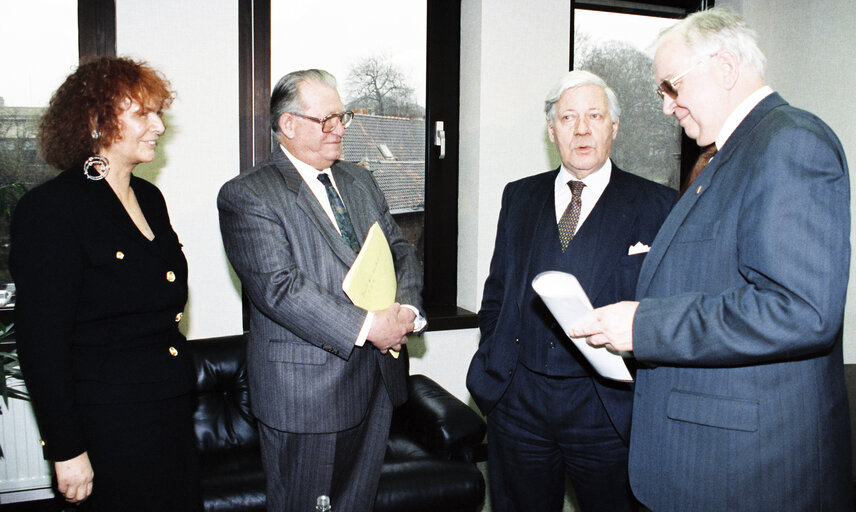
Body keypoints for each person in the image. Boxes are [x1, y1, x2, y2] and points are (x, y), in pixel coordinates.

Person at [570, 8, 852, 511]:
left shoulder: (790, 142)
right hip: (709, 462)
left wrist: (645, 326)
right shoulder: (732, 154)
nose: (666, 107)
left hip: (749, 473)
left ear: (724, 67)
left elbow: (801, 310)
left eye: (672, 87)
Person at [466, 70, 676, 511]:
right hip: (518, 403)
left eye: (595, 116)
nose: (582, 129)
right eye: (568, 118)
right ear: (551, 129)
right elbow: (498, 291)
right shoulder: (519, 197)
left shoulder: (660, 204)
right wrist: (495, 363)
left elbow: (667, 307)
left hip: (607, 409)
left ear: (614, 126)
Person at [217, 69, 424, 512]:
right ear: (288, 126)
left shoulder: (359, 180)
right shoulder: (248, 195)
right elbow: (280, 289)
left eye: (342, 116)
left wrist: (406, 309)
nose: (340, 128)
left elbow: (400, 249)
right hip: (307, 395)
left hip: (377, 384)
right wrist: (370, 327)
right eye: (326, 119)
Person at [10, 57, 199, 510]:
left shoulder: (150, 198)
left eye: (158, 113)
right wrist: (67, 448)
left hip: (169, 409)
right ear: (96, 121)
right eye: (142, 114)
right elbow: (42, 343)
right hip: (107, 422)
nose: (157, 125)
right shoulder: (51, 209)